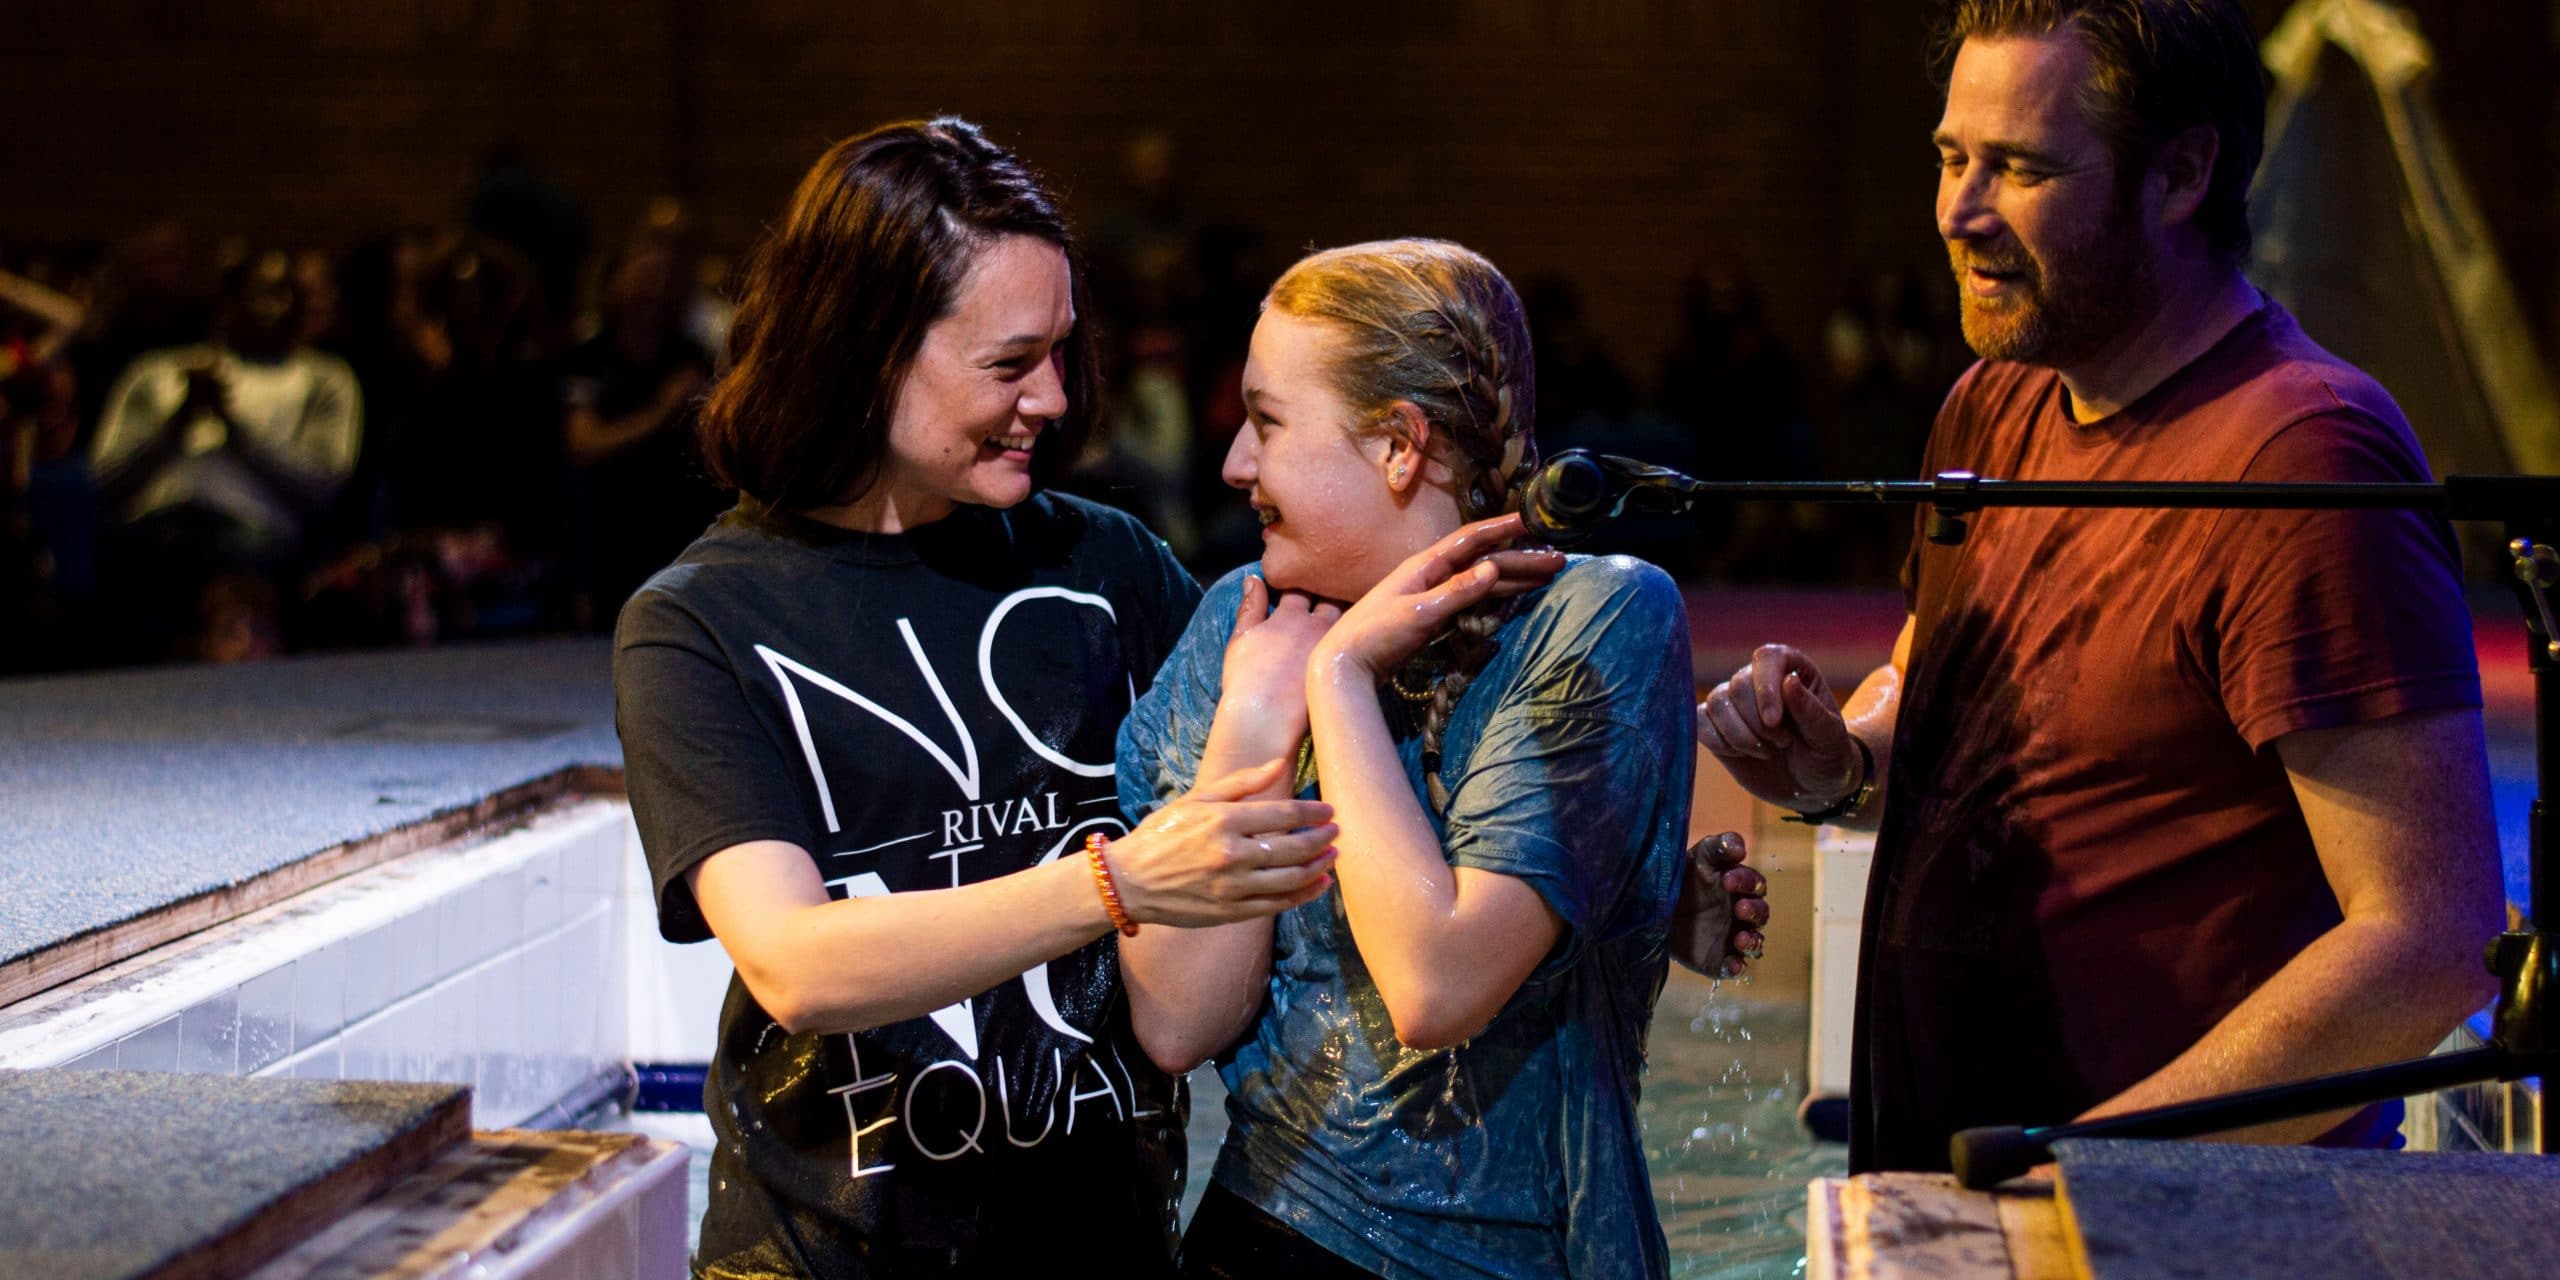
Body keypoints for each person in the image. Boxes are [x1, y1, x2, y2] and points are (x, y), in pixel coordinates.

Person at [1696, 0, 2503, 1175]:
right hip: (1969, 1185)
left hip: (2168, 1225)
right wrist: (1849, 759)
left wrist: (2091, 1161)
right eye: (1950, 156)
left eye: (2019, 168)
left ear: (2180, 172)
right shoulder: (1996, 399)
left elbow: (2429, 937)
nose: (1958, 212)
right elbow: (1942, 678)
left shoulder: (2301, 457)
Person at [611, 119, 1339, 1276]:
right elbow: (798, 962)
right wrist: (1114, 880)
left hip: (1103, 1240)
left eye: (1060, 350)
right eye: (1009, 364)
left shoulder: (1107, 568)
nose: (1051, 397)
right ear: (863, 352)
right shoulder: (700, 620)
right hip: (824, 1254)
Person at [1117, 239, 1704, 1278]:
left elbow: (1436, 983)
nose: (1233, 466)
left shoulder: (1597, 615)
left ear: (1398, 443)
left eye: (1267, 422)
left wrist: (1337, 681)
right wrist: (1250, 736)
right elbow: (1174, 1020)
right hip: (1262, 1237)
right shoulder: (1239, 627)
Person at [89, 248, 364, 660]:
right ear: (229, 300)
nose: (273, 308)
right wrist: (179, 421)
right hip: (156, 528)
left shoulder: (324, 379)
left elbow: (323, 485)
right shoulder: (160, 372)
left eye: (285, 295)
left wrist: (234, 428)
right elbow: (105, 477)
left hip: (257, 535)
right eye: (261, 294)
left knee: (241, 570)